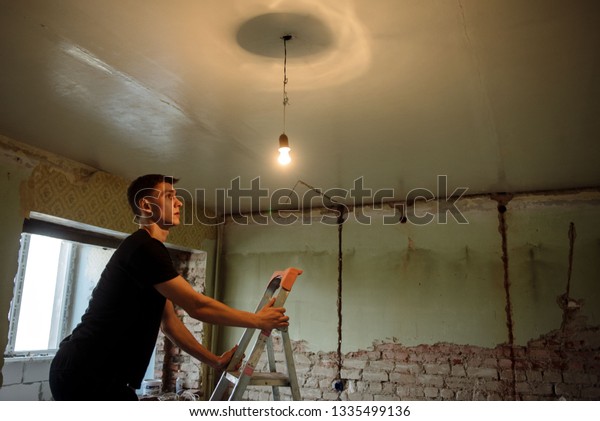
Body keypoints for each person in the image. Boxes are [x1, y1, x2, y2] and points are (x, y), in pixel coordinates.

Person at [49, 174, 288, 400]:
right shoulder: (144, 248)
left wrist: (215, 361)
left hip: (95, 374)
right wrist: (258, 320)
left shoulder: (150, 253)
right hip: (86, 372)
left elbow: (170, 324)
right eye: (169, 196)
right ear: (146, 205)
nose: (179, 202)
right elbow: (197, 305)